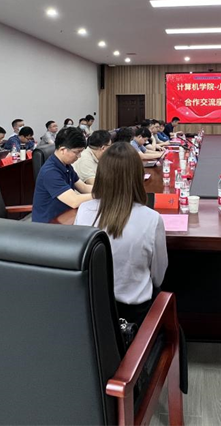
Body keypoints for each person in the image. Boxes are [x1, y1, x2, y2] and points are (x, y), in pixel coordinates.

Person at [74, 142, 168, 324]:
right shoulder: (152, 218)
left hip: (91, 310)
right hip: (135, 315)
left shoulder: (84, 210)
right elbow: (158, 277)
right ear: (138, 176)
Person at [31, 127, 94, 223]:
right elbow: (74, 201)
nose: (79, 156)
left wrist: (106, 191)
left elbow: (83, 187)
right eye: (77, 152)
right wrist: (102, 195)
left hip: (66, 216)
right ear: (63, 150)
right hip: (49, 224)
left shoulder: (66, 165)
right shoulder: (50, 172)